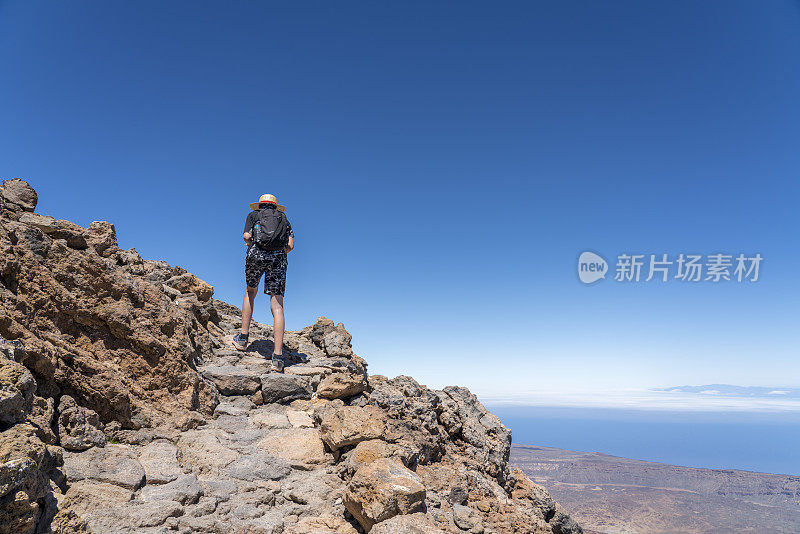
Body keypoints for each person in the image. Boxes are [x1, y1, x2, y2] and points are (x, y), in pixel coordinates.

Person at [232, 193, 294, 372]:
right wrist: (276, 253)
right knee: (277, 304)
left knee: (250, 292)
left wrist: (253, 244)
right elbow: (290, 246)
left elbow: (246, 236)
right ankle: (278, 357)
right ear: (276, 206)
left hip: (256, 255)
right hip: (278, 259)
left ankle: (243, 340)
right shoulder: (284, 219)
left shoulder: (253, 215)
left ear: (260, 205)